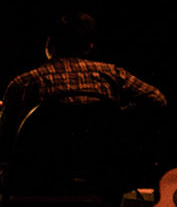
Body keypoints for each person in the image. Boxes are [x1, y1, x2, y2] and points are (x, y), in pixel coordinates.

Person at [2, 12, 167, 136]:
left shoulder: (24, 82)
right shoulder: (113, 74)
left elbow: (5, 132)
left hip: (45, 171)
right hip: (102, 168)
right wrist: (119, 115)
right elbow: (157, 99)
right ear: (90, 47)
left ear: (49, 44)